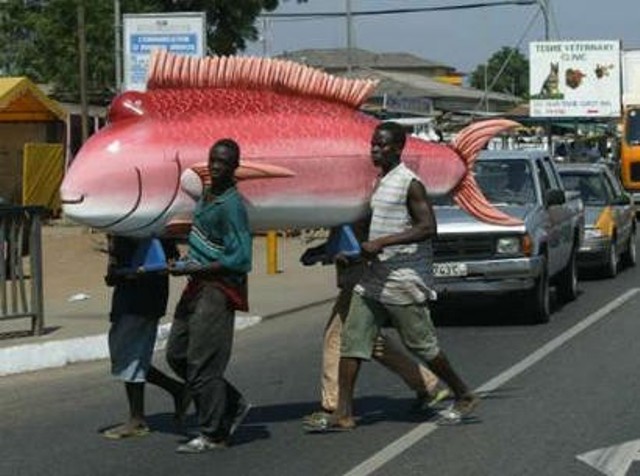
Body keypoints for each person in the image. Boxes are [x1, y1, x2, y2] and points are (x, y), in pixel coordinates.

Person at [305, 122, 478, 432]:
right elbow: (373, 229)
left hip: (403, 280)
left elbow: (428, 228)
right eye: (373, 144)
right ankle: (342, 413)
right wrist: (343, 252)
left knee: (422, 345)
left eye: (382, 145)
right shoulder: (379, 182)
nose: (375, 149)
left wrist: (382, 244)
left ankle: (463, 393)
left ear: (398, 149)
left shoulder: (410, 183)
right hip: (373, 278)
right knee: (352, 341)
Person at [299, 227, 450, 418]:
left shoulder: (361, 208)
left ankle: (334, 403)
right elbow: (347, 238)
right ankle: (427, 384)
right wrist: (325, 251)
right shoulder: (353, 208)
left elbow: (363, 242)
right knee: (368, 340)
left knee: (337, 336)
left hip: (363, 276)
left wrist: (342, 255)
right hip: (361, 275)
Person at [166, 138, 253, 453]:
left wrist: (199, 268)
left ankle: (213, 433)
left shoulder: (231, 205)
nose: (216, 166)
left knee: (203, 362)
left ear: (234, 167)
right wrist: (186, 263)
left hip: (218, 289)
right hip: (197, 284)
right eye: (213, 160)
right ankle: (231, 403)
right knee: (176, 354)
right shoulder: (208, 195)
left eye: (224, 162)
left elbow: (242, 258)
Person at [102, 235, 189, 440]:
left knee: (129, 356)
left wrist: (136, 273)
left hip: (141, 300)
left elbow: (168, 262)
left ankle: (138, 419)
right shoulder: (125, 228)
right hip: (133, 299)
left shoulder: (141, 228)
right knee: (129, 355)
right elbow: (114, 270)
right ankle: (177, 390)